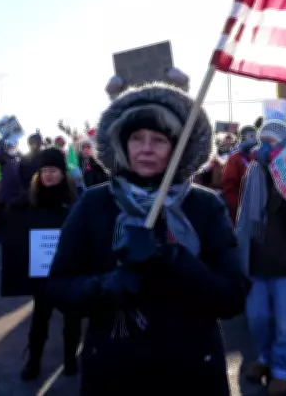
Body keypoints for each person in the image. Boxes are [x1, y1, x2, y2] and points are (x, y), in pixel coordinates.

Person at [45, 84, 250, 396]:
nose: (147, 148)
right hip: (114, 371)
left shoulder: (205, 205)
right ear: (122, 144)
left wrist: (178, 261)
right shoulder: (94, 204)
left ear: (177, 148)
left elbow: (233, 296)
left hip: (191, 370)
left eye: (159, 139)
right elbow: (59, 286)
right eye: (137, 138)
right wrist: (106, 286)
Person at [236, 120, 286, 395]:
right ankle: (264, 357)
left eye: (273, 142)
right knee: (257, 318)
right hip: (256, 260)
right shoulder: (253, 170)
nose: (267, 147)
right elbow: (244, 217)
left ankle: (283, 370)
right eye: (264, 141)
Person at [1, 147, 81, 380]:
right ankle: (34, 361)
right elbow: (12, 215)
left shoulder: (75, 200)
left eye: (53, 170)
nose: (48, 175)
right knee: (39, 319)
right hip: (41, 272)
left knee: (72, 319)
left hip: (68, 271)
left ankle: (70, 359)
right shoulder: (31, 197)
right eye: (44, 170)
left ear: (63, 174)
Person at [221, 125, 258, 224]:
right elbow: (229, 184)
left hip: (253, 205)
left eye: (256, 136)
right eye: (251, 136)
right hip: (238, 206)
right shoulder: (235, 158)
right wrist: (237, 206)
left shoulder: (255, 157)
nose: (255, 139)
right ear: (243, 137)